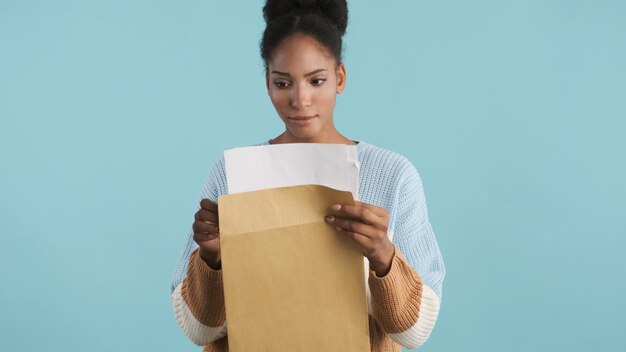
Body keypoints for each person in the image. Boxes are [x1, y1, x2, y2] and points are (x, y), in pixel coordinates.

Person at [170, 1, 445, 351]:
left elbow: (416, 332)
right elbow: (197, 331)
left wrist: (383, 257)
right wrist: (211, 259)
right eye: (283, 83)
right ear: (267, 84)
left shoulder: (392, 176)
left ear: (340, 78)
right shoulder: (232, 173)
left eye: (316, 80)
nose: (300, 100)